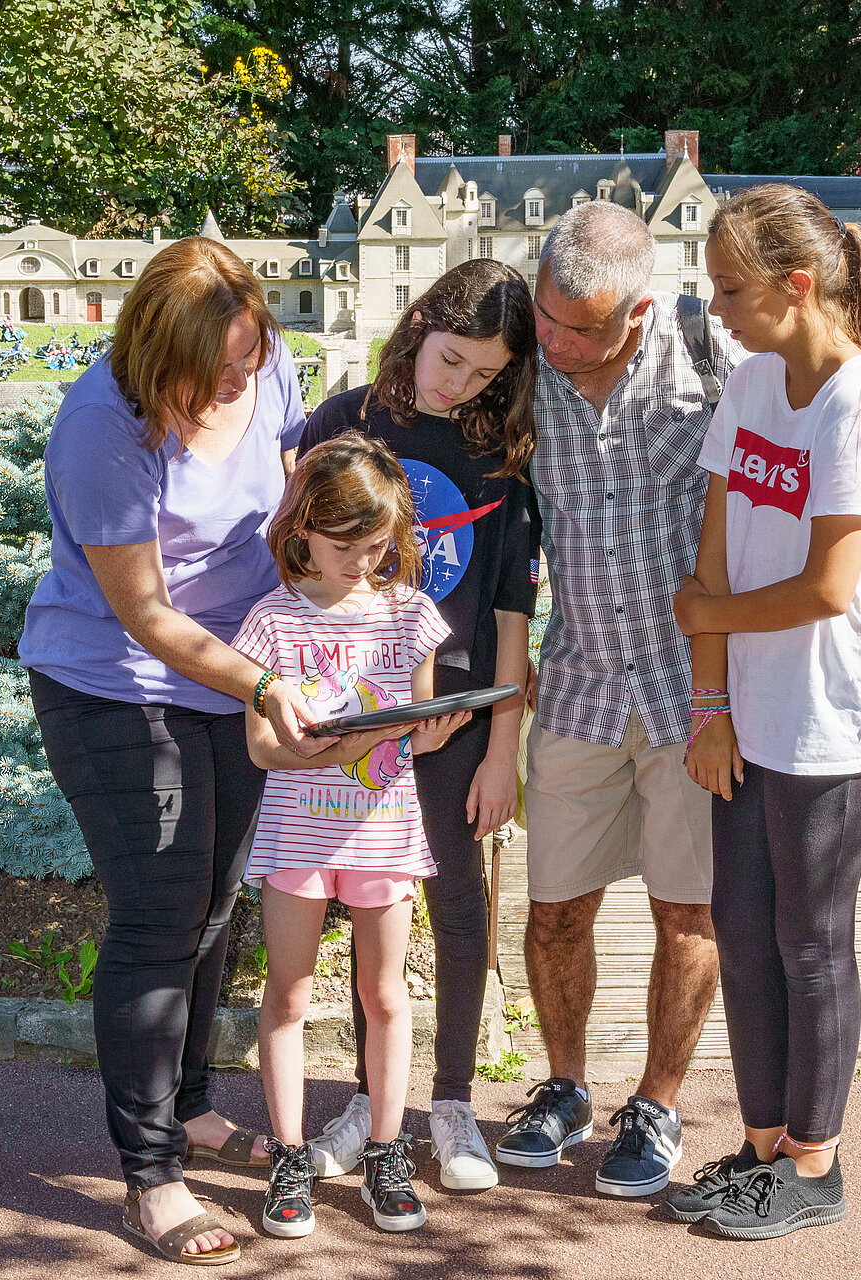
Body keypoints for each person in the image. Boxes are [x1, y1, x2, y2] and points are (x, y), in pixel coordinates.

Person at [19, 236, 323, 1266]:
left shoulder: (265, 358)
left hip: (235, 667)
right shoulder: (101, 426)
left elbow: (289, 501)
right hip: (114, 683)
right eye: (224, 368)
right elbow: (146, 614)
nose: (245, 377)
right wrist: (266, 683)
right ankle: (150, 1177)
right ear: (163, 357)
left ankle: (190, 1109)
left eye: (253, 356)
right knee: (156, 917)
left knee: (214, 904)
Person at [665, 183, 861, 1239]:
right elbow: (716, 547)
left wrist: (705, 612)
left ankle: (816, 1164)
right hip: (749, 712)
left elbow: (828, 586)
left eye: (730, 288)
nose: (714, 306)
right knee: (743, 928)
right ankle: (763, 1145)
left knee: (810, 939)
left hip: (836, 718)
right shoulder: (753, 382)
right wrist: (710, 697)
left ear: (796, 285)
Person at [497, 200, 745, 1197]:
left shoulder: (706, 347)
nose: (553, 342)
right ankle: (562, 1085)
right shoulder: (529, 364)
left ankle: (655, 1099)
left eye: (578, 327)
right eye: (545, 318)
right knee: (555, 907)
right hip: (583, 680)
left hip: (695, 689)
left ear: (636, 315)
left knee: (690, 909)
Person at [295, 260, 539, 1193]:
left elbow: (512, 605)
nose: (459, 385)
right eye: (451, 359)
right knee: (370, 905)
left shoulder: (496, 449)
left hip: (461, 717)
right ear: (420, 323)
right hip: (359, 717)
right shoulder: (341, 425)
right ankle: (371, 1101)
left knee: (458, 903)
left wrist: (503, 744)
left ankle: (452, 1102)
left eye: (484, 375)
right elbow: (296, 571)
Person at [230, 433, 470, 1237]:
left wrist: (444, 724)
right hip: (300, 833)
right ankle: (291, 1154)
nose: (362, 563)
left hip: (383, 831)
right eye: (343, 548)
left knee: (385, 995)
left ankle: (385, 1151)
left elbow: (420, 729)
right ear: (301, 531)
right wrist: (332, 745)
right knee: (289, 994)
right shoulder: (271, 620)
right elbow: (262, 746)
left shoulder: (409, 614)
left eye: (375, 547)